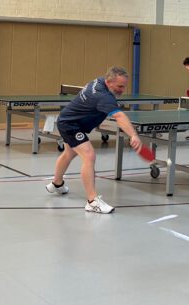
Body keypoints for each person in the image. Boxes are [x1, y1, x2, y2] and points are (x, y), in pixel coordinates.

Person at [45, 66, 143, 214]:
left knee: (69, 153)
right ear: (109, 82)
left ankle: (56, 184)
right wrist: (133, 135)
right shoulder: (103, 96)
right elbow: (119, 116)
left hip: (68, 119)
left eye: (124, 86)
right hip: (70, 125)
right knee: (89, 156)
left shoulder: (99, 81)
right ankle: (92, 202)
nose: (122, 90)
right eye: (120, 86)